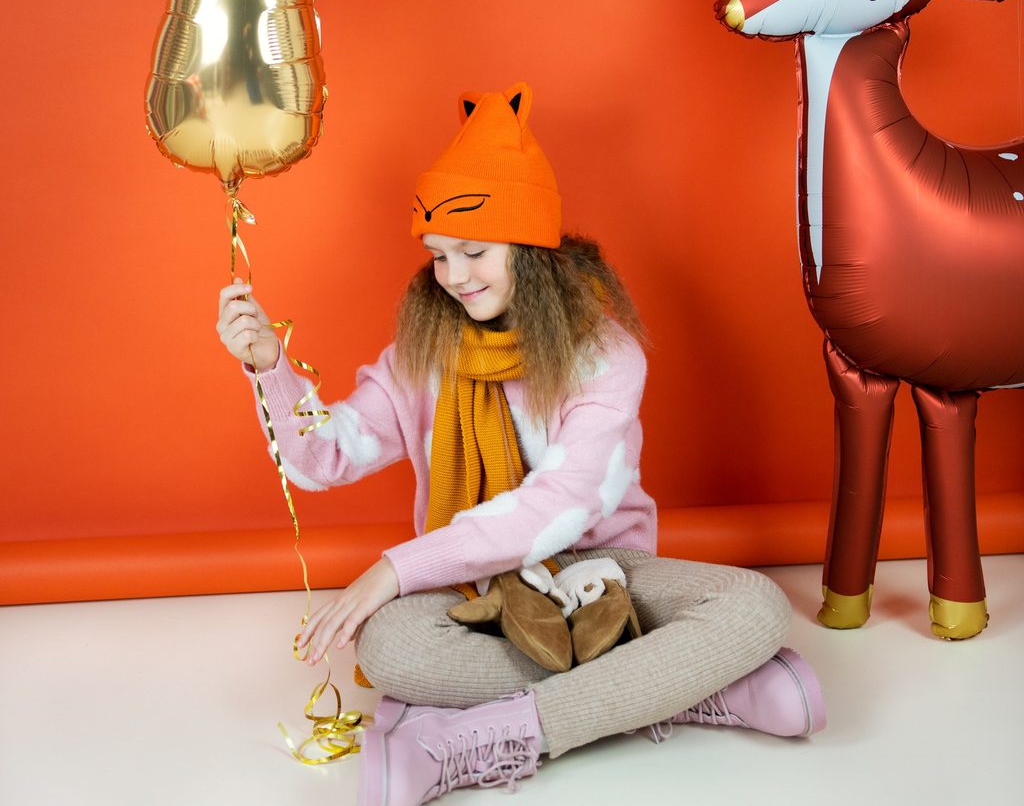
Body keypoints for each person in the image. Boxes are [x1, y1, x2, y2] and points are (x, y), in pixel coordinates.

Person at [216, 83, 826, 806]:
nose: (454, 278)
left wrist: (393, 568)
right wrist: (270, 368)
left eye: (474, 251)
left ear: (530, 248)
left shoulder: (606, 356)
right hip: (477, 585)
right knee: (389, 647)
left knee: (755, 606)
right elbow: (325, 458)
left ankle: (482, 740)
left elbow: (559, 505)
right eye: (438, 256)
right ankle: (684, 687)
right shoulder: (422, 353)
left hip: (603, 573)